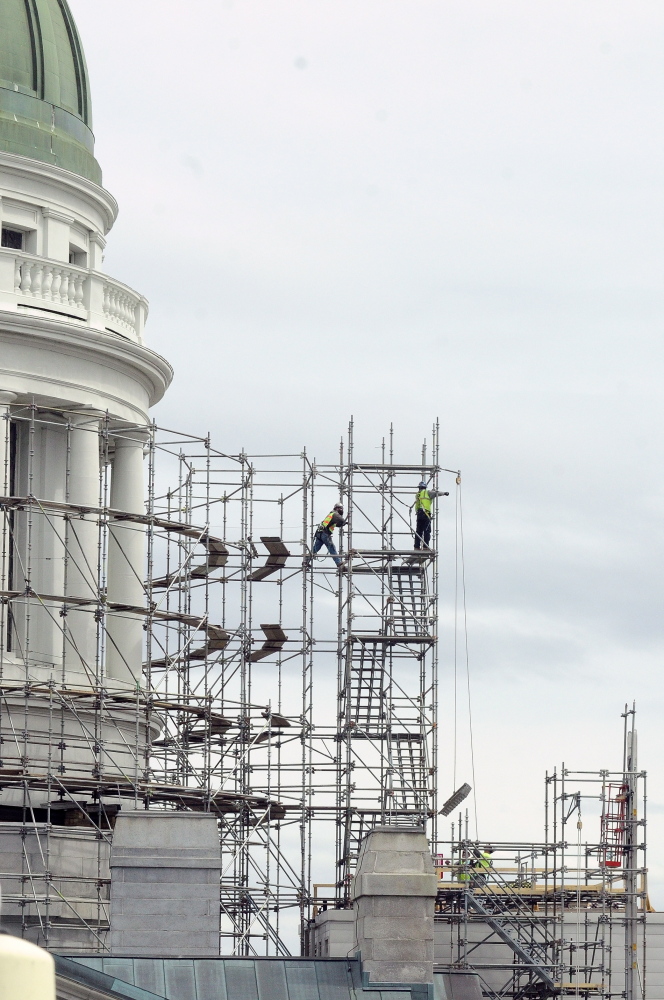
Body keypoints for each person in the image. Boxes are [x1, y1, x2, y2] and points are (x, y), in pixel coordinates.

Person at [306, 504, 348, 568]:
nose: (341, 510)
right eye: (340, 508)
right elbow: (341, 521)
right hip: (325, 534)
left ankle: (306, 561)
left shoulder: (331, 514)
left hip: (319, 533)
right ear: (336, 508)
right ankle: (338, 562)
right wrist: (344, 522)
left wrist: (343, 523)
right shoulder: (335, 514)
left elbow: (337, 524)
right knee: (331, 547)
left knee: (315, 549)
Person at [413, 480, 448, 550]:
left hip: (419, 514)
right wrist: (444, 493)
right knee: (427, 530)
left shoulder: (417, 494)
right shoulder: (427, 492)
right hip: (426, 513)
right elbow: (436, 493)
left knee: (418, 531)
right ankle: (425, 546)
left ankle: (416, 547)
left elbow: (417, 505)